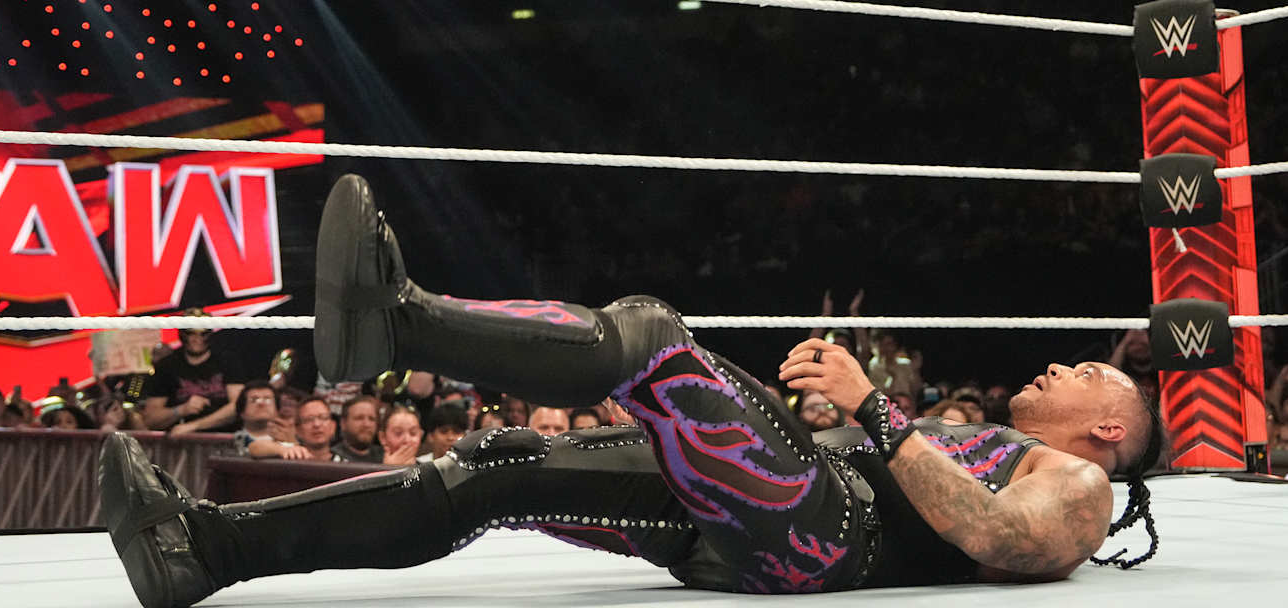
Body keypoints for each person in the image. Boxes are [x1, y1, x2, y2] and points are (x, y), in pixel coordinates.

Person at [101, 175, 1161, 606]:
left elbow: (1005, 542)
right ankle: (206, 551)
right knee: (501, 466)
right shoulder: (991, 440)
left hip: (823, 538)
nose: (1059, 368)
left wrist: (875, 411)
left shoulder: (1077, 483)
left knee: (650, 334)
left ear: (1111, 427)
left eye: (1086, 374)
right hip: (765, 518)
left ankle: (402, 321)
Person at [140, 319, 242, 435]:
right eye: (191, 333)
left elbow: (238, 406)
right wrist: (181, 410)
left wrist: (194, 425)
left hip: (224, 437)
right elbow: (150, 420)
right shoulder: (167, 366)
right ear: (182, 334)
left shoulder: (227, 361)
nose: (196, 339)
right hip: (179, 439)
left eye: (203, 334)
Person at [330, 394, 386, 464]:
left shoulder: (386, 457)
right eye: (359, 418)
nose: (366, 424)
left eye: (372, 419)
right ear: (343, 423)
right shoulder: (331, 458)